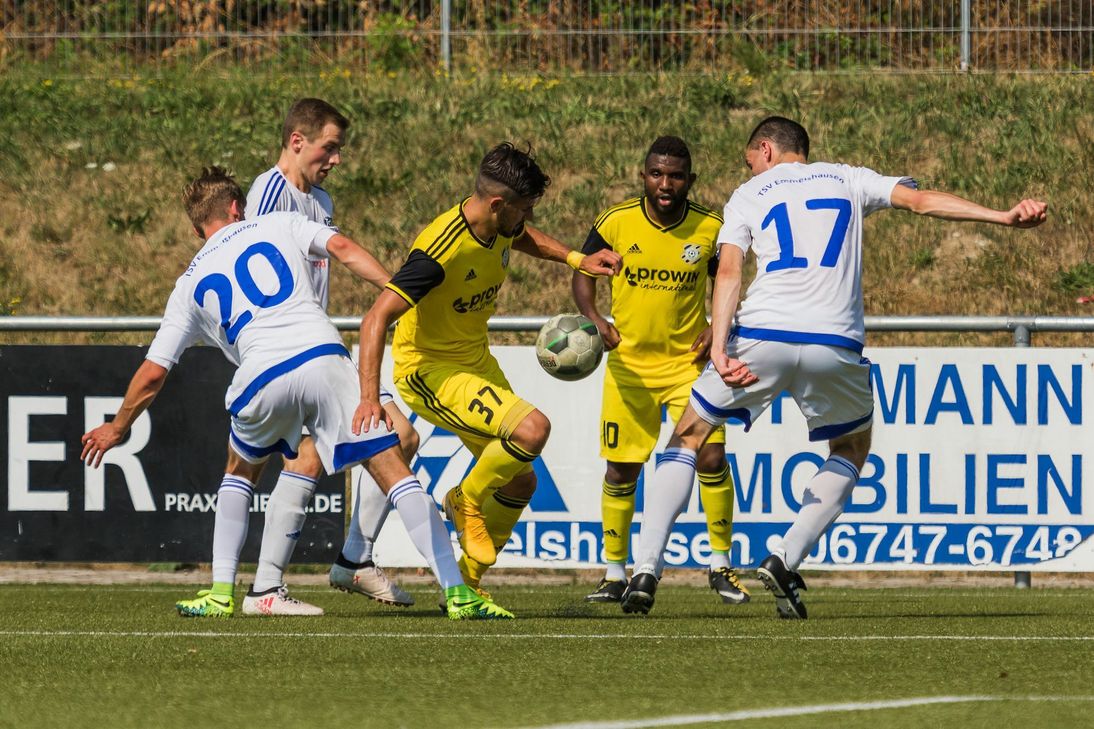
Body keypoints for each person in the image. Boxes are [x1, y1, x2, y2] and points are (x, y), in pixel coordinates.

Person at [620, 116, 1047, 618]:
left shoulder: (748, 194)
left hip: (764, 336)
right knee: (851, 446)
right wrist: (1002, 215)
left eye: (750, 159)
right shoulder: (849, 176)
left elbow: (731, 271)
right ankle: (785, 558)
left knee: (688, 436)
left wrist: (718, 345)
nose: (750, 167)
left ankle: (646, 569)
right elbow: (923, 200)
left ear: (766, 149)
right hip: (834, 341)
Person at [81, 167, 513, 621]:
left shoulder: (188, 283)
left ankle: (222, 592)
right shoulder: (276, 222)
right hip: (324, 357)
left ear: (195, 229)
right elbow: (342, 249)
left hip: (262, 374)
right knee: (394, 470)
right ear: (236, 207)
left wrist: (119, 426)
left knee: (239, 473)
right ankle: (459, 593)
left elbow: (152, 374)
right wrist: (397, 291)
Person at [354, 143, 621, 608]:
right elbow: (376, 318)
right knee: (532, 428)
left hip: (474, 359)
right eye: (524, 209)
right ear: (498, 204)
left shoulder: (498, 223)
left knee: (520, 481)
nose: (526, 218)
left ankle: (464, 588)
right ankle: (465, 497)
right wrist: (369, 398)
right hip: (429, 370)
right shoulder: (439, 251)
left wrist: (576, 259)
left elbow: (519, 237)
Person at [245, 98, 416, 614]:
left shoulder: (319, 199)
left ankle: (345, 562)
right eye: (329, 147)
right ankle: (271, 587)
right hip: (288, 347)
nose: (336, 158)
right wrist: (400, 290)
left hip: (318, 342)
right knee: (324, 451)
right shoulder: (269, 194)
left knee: (400, 436)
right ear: (297, 141)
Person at [573, 136, 748, 605]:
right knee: (622, 468)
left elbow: (729, 280)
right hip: (629, 367)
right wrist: (594, 319)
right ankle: (614, 572)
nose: (664, 184)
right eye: (656, 174)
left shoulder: (710, 227)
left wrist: (717, 327)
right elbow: (583, 274)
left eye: (674, 176)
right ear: (644, 175)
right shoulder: (616, 221)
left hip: (687, 368)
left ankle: (720, 564)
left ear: (690, 180)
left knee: (710, 458)